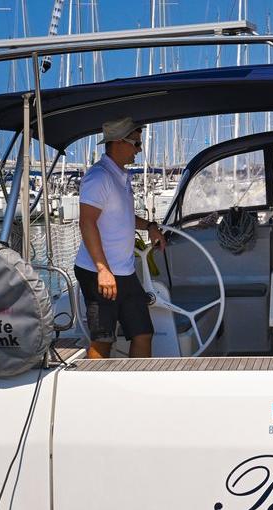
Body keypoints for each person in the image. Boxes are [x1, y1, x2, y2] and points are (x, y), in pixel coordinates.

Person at [75, 117, 166, 359]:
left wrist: (150, 226)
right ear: (118, 142)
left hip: (124, 271)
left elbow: (122, 215)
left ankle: (136, 382)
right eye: (136, 144)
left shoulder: (119, 176)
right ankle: (92, 384)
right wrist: (103, 270)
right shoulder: (99, 177)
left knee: (143, 333)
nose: (139, 150)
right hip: (98, 272)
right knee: (102, 341)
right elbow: (86, 222)